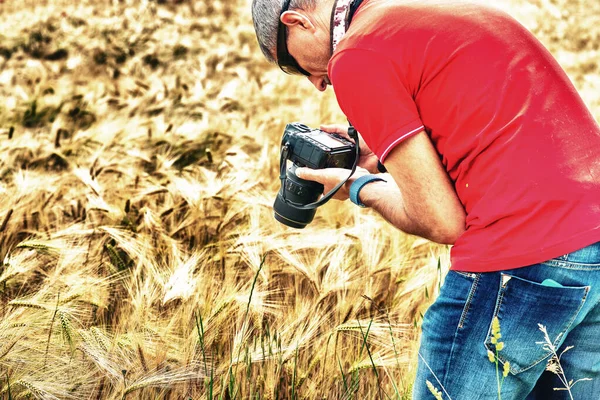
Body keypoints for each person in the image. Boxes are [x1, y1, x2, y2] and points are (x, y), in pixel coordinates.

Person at [251, 0, 600, 398]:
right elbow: (483, 120)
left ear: (296, 22)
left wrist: (361, 187)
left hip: (519, 257)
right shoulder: (422, 9)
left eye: (292, 65)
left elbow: (442, 220)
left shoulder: (354, 54)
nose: (315, 83)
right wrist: (384, 150)